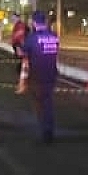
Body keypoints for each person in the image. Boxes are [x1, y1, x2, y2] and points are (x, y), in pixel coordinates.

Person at [22, 11, 59, 144]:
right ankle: (49, 129)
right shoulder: (54, 36)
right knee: (48, 102)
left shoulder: (32, 38)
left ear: (33, 22)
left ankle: (44, 130)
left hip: (37, 75)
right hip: (51, 74)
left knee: (39, 103)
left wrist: (24, 79)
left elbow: (24, 54)